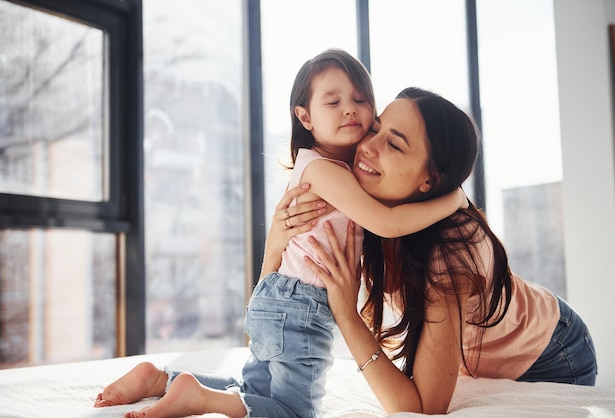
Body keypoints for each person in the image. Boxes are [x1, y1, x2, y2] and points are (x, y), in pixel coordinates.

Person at [94, 51, 466, 418]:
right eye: (333, 102)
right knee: (292, 411)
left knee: (255, 392)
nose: (350, 110)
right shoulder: (325, 172)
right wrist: (453, 198)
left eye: (360, 100)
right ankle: (198, 397)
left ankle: (161, 379)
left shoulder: (329, 170)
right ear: (305, 118)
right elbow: (387, 222)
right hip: (302, 306)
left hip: (276, 295)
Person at [288, 87, 597, 415]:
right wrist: (282, 227)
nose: (367, 147)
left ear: (429, 180)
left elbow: (425, 408)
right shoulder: (369, 207)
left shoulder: (450, 256)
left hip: (553, 352)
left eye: (393, 143)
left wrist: (348, 316)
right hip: (482, 348)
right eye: (376, 129)